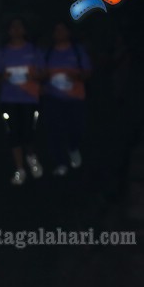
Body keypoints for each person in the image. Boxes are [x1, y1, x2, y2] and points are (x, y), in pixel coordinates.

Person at [0, 18, 44, 186]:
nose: (16, 29)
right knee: (13, 135)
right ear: (9, 31)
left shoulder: (34, 51)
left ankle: (31, 158)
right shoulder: (2, 53)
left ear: (24, 30)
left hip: (29, 99)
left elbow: (44, 73)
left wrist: (34, 76)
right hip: (8, 99)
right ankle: (19, 168)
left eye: (19, 26)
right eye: (12, 27)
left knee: (28, 133)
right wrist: (2, 77)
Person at [42, 21, 91, 177]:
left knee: (77, 128)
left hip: (75, 98)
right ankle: (61, 163)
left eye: (63, 29)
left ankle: (73, 147)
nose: (60, 33)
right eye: (57, 30)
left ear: (69, 32)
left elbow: (88, 73)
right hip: (54, 99)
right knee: (55, 131)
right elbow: (40, 74)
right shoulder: (48, 53)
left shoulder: (78, 51)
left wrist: (76, 76)